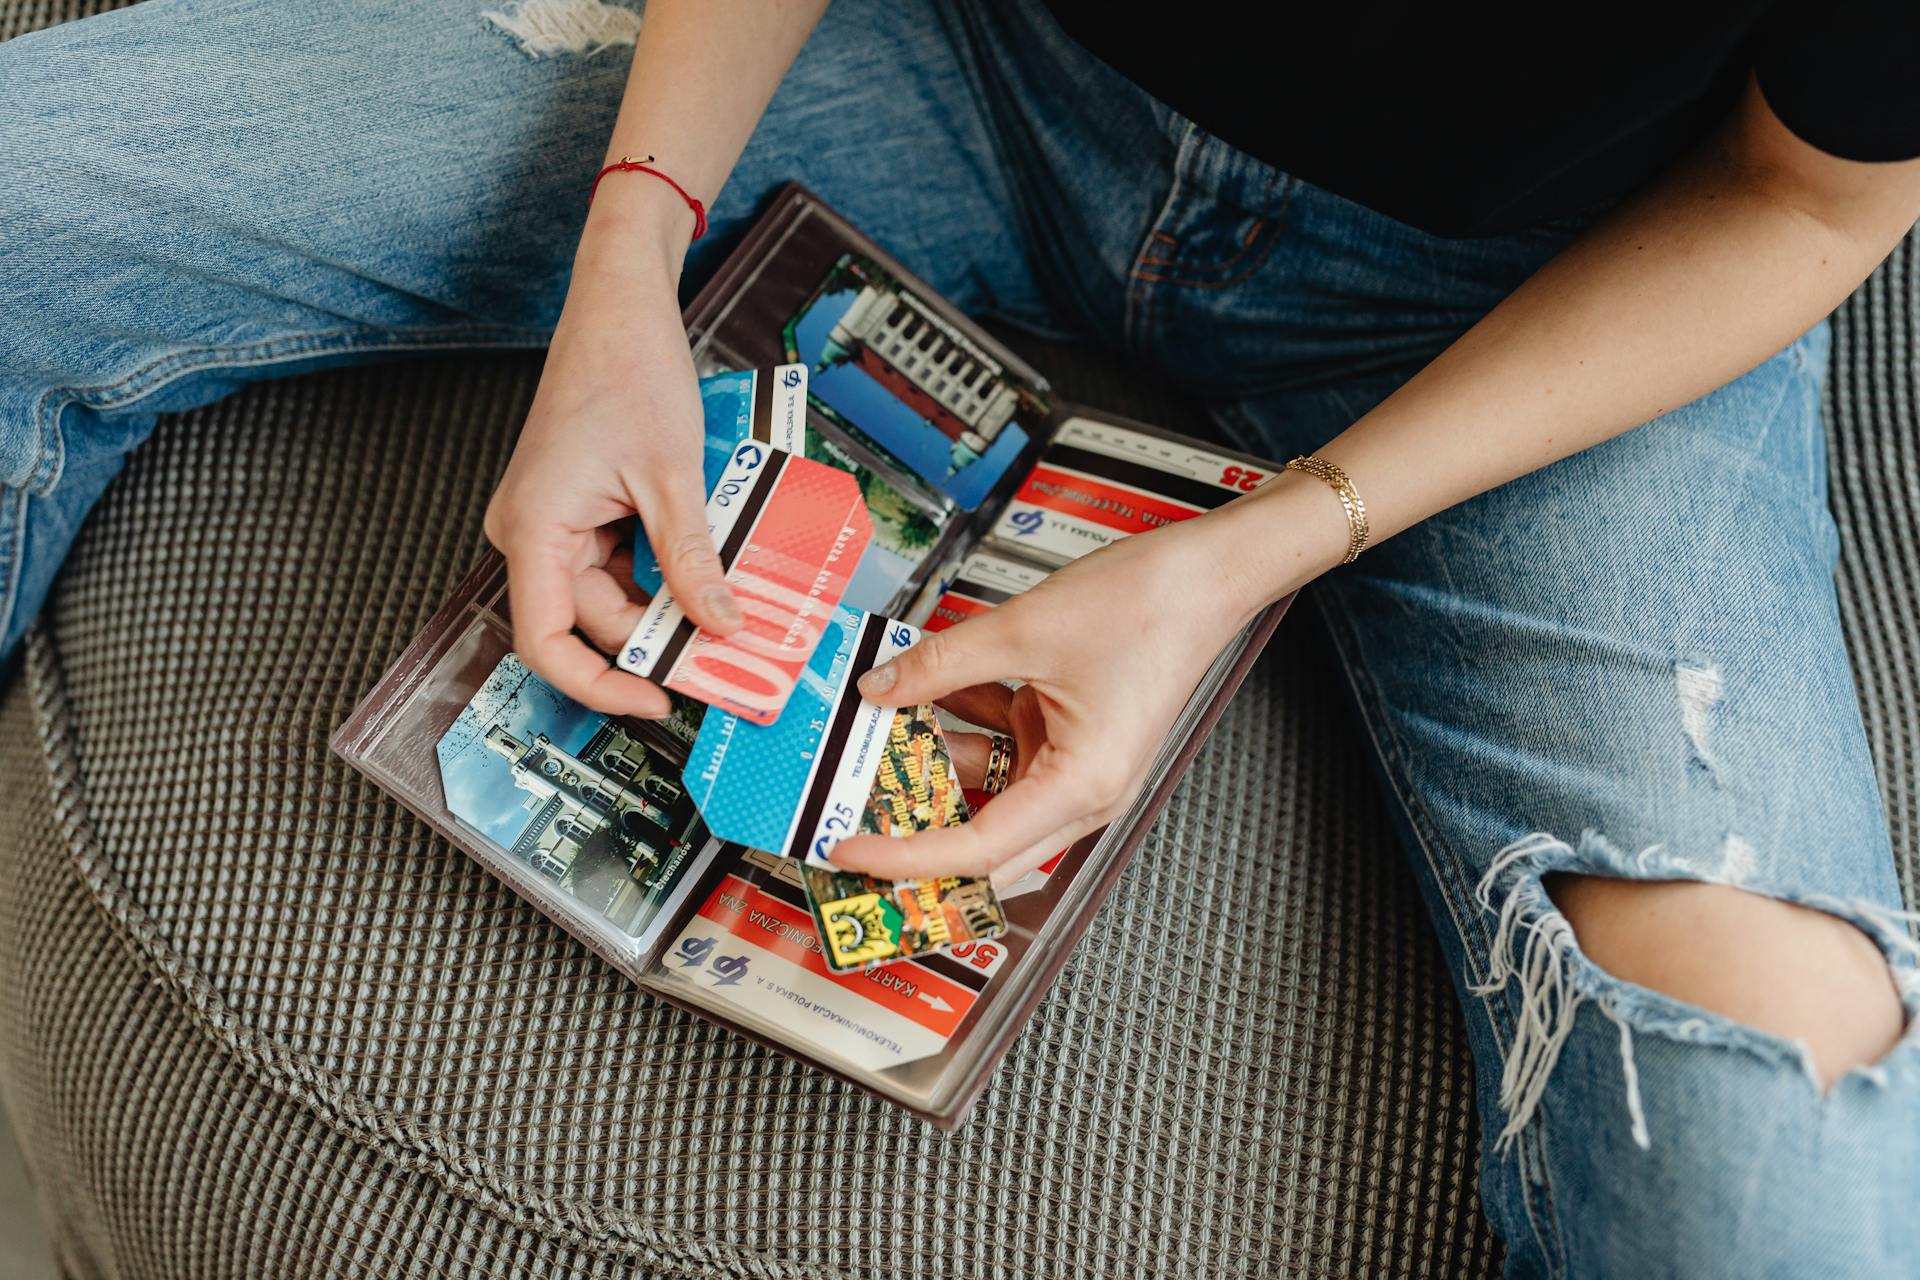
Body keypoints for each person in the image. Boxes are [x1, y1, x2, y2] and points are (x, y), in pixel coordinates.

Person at [4, 0, 1918, 1272]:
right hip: (970, 56)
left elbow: (1811, 195)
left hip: (1547, 289)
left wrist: (1249, 553)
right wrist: (625, 252)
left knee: (1785, 1183)